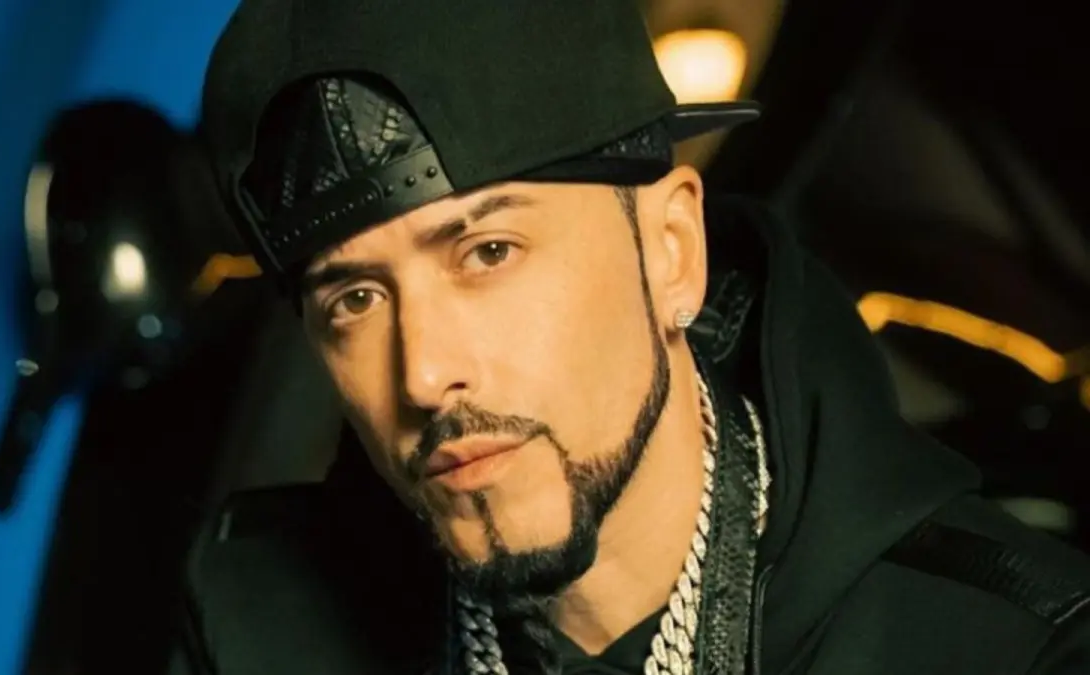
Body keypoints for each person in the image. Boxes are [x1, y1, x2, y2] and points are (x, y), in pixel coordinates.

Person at [174, 0, 1090, 673]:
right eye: (355, 299)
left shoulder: (1016, 647)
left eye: (488, 251)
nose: (426, 374)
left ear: (671, 251)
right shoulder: (250, 627)